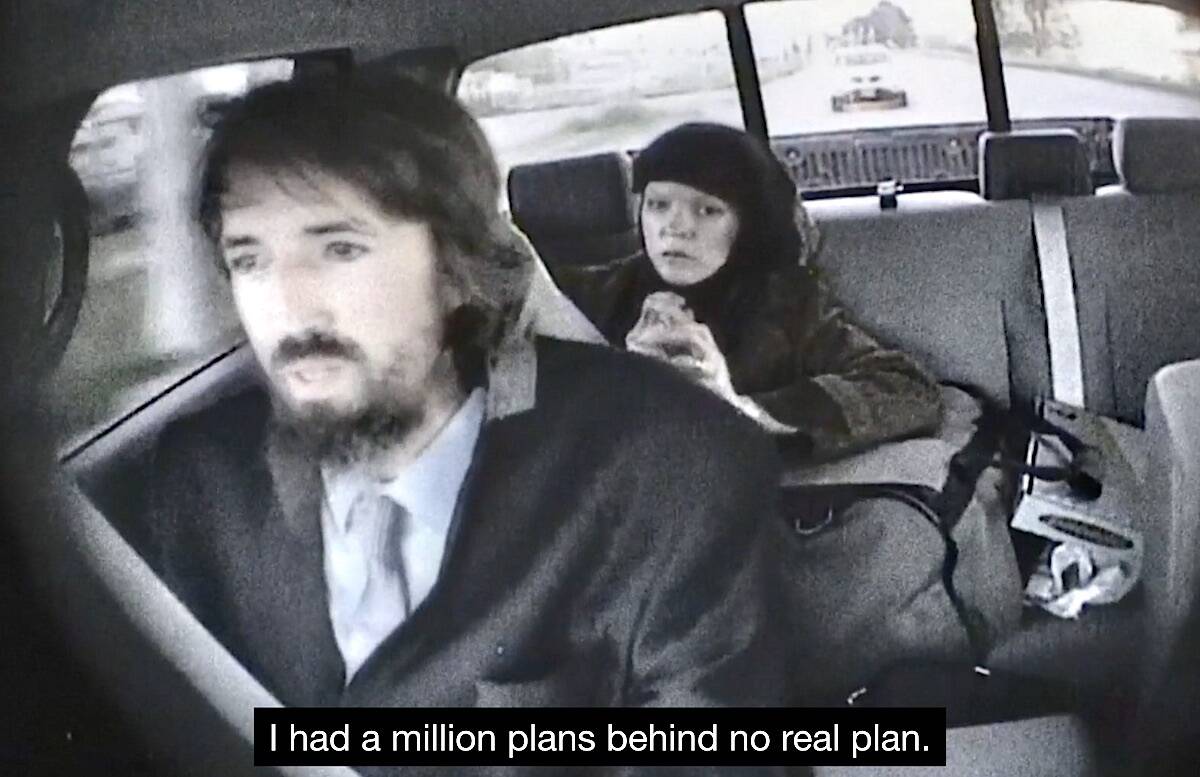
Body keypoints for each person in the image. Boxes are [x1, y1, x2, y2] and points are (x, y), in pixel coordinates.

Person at [138, 70, 786, 732]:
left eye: (340, 248)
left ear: (455, 269)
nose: (287, 306)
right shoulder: (203, 478)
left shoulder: (675, 466)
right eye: (249, 259)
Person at [554, 123, 942, 462]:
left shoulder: (786, 305)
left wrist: (741, 409)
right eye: (658, 205)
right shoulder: (592, 294)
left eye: (707, 210)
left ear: (747, 224)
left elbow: (909, 390)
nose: (675, 227)